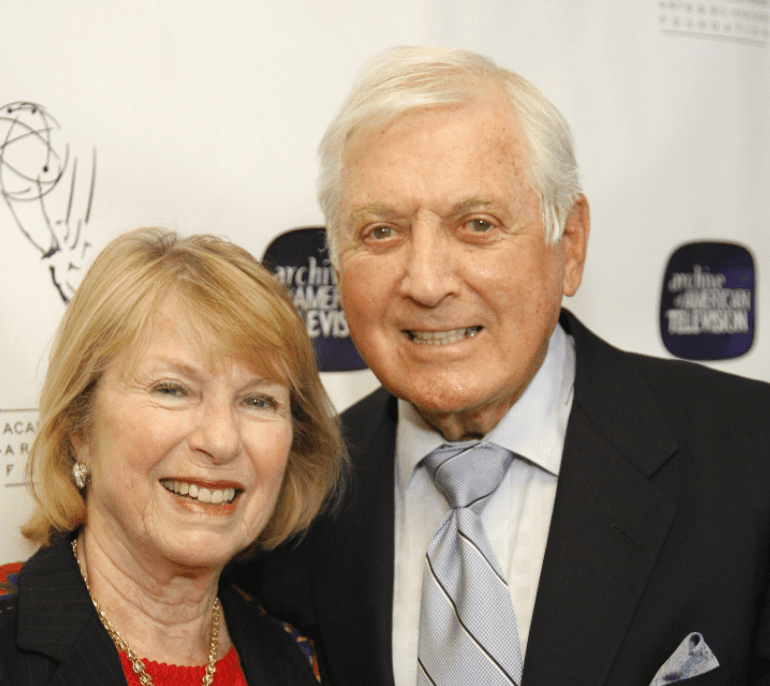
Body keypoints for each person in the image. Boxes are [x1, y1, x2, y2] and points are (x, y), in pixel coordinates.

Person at [241, 46, 770, 686]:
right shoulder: (287, 503)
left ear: (569, 244)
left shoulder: (750, 459)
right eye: (381, 231)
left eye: (478, 224)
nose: (427, 282)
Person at [0, 228, 345, 686]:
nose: (221, 440)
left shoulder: (295, 662)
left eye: (258, 401)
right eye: (172, 390)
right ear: (80, 427)